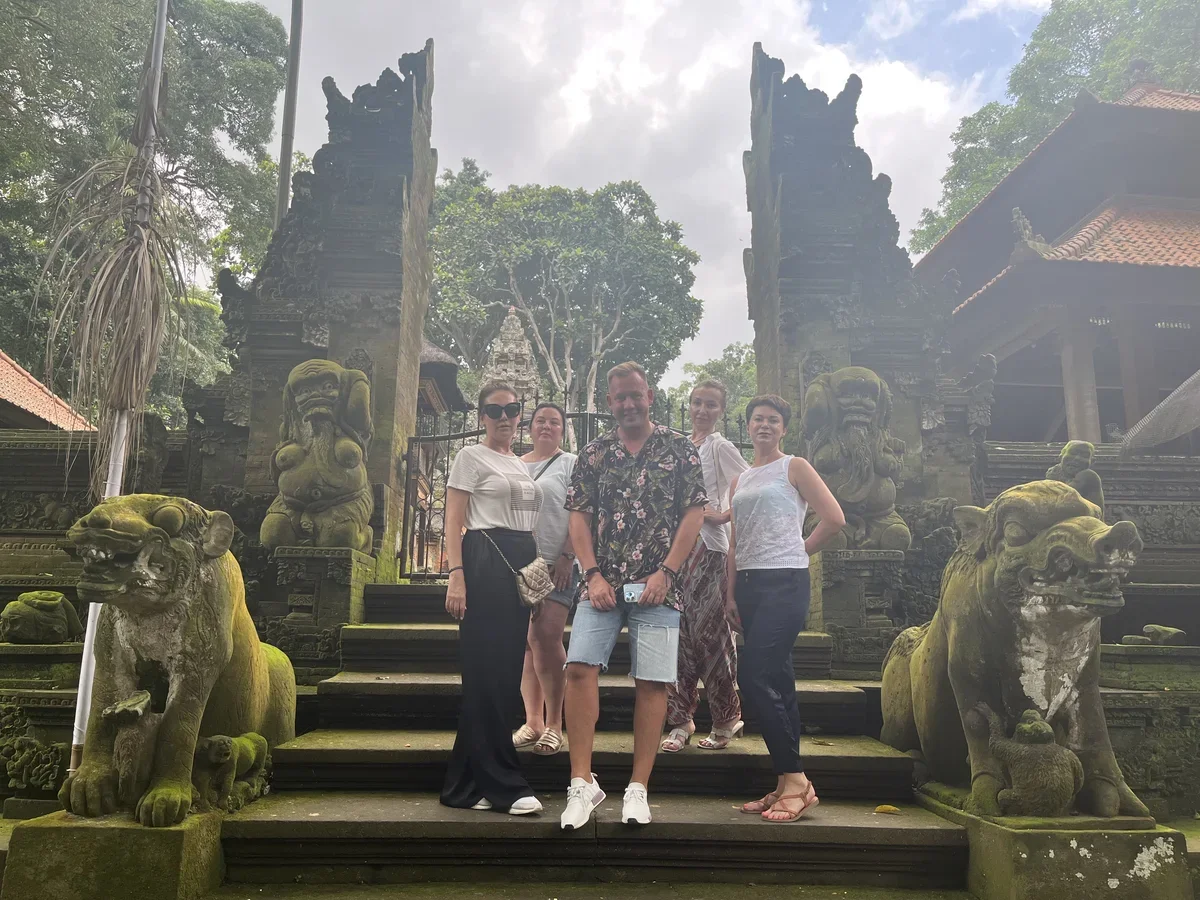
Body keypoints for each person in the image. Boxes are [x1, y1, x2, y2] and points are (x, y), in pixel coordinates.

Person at [560, 361, 707, 830]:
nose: (628, 404)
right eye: (620, 397)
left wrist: (668, 572)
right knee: (578, 668)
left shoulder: (679, 448)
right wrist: (592, 575)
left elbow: (693, 514)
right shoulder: (594, 453)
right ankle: (581, 783)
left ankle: (638, 787)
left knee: (652, 682)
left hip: (657, 586)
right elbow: (579, 517)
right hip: (600, 584)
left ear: (650, 396)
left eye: (635, 395)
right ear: (609, 402)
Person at [727, 394, 845, 823]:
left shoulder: (794, 467)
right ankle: (785, 783)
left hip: (786, 583)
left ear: (783, 428)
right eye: (758, 419)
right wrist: (729, 595)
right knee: (779, 680)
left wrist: (799, 550)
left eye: (773, 420)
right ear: (748, 426)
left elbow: (834, 518)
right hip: (748, 586)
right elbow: (735, 542)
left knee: (753, 675)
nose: (764, 425)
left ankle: (796, 781)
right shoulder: (740, 480)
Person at [440, 382, 544, 816]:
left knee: (504, 675)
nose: (504, 417)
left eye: (512, 409)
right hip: (484, 560)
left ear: (520, 414)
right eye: (494, 410)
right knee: (486, 672)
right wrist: (457, 575)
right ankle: (503, 784)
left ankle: (468, 784)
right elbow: (453, 520)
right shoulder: (470, 457)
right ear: (481, 416)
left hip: (518, 564)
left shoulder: (519, 463)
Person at [662, 379, 749, 753]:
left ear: (721, 411)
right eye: (697, 402)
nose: (702, 410)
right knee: (677, 635)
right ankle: (680, 720)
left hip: (710, 550)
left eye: (711, 404)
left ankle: (726, 718)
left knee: (712, 636)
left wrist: (722, 513)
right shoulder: (680, 446)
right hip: (676, 552)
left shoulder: (719, 446)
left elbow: (748, 484)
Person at [512, 402, 577, 756]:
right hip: (517, 564)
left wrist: (568, 555)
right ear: (530, 427)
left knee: (545, 637)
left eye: (554, 422)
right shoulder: (514, 464)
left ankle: (554, 724)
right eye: (540, 421)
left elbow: (581, 512)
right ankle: (533, 721)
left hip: (554, 563)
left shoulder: (570, 464)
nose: (547, 426)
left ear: (563, 429)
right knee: (526, 642)